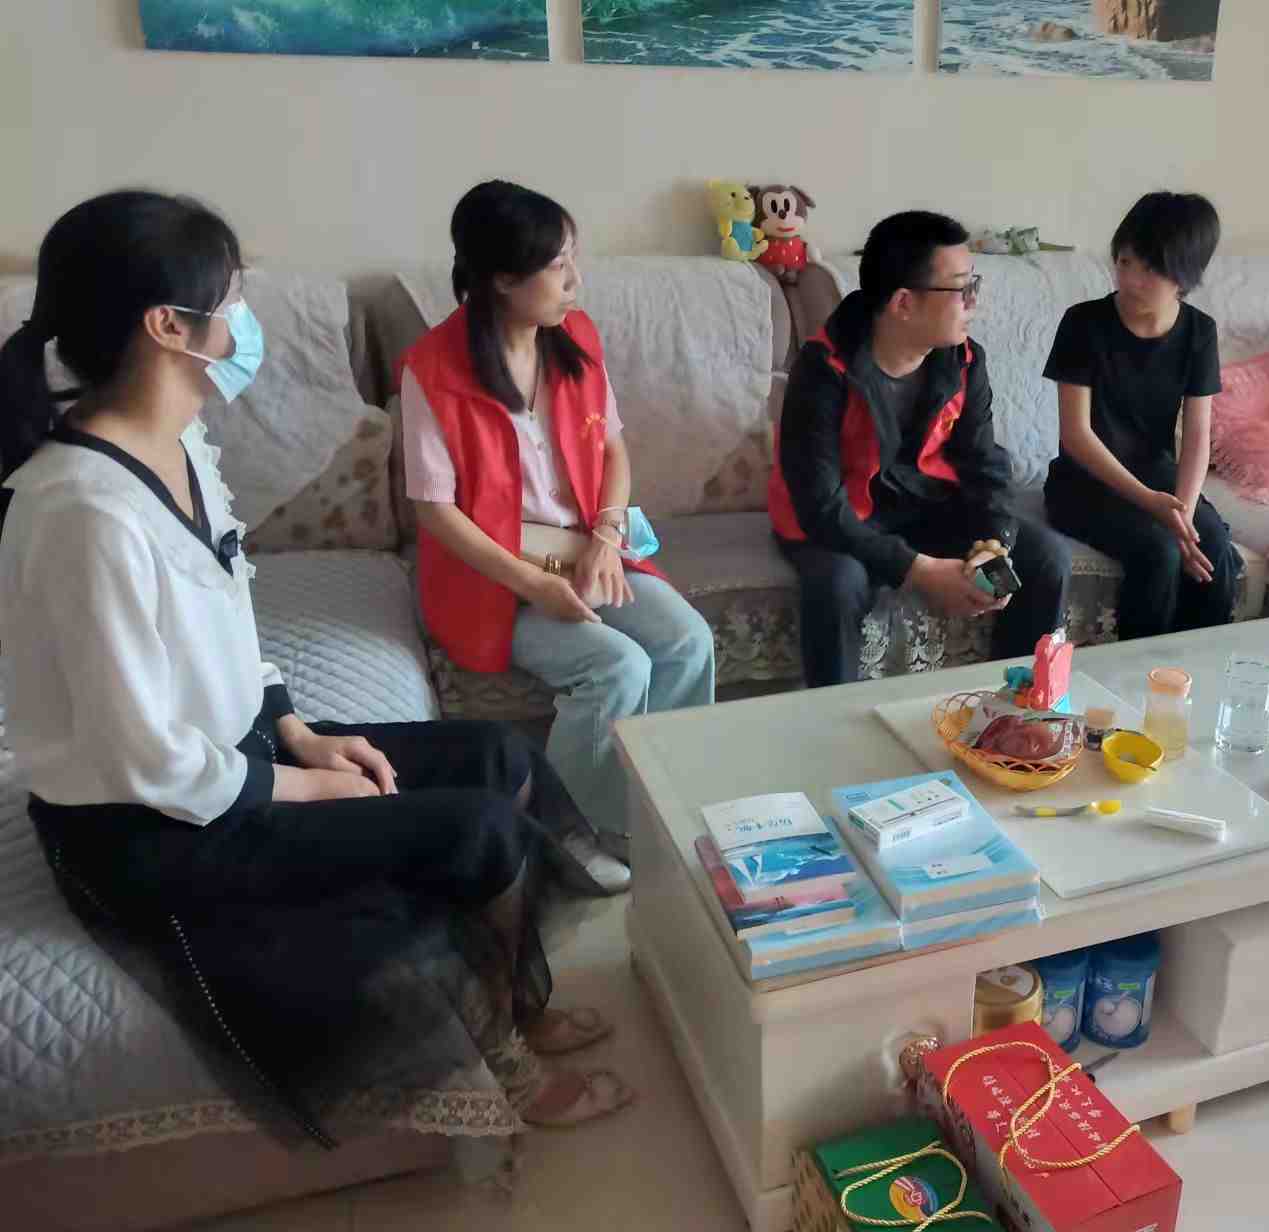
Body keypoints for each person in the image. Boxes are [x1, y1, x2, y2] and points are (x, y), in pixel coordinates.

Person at [0, 191, 634, 1140]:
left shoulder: (178, 446)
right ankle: (506, 1061)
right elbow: (148, 762)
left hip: (234, 752)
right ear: (169, 326)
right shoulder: (82, 515)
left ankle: (515, 1003)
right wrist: (307, 787)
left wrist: (301, 733)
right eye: (232, 298)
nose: (244, 320)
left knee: (500, 758)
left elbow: (229, 624)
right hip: (151, 826)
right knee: (476, 833)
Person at [400, 181, 714, 889]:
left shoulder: (576, 337)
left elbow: (614, 451)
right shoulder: (433, 370)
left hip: (584, 549)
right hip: (493, 578)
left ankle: (661, 804)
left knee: (687, 640)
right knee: (617, 666)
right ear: (503, 280)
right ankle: (570, 830)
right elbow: (435, 511)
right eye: (556, 265)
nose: (575, 279)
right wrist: (533, 584)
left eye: (574, 257)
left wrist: (606, 535)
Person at [770, 211, 1072, 687]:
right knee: (837, 584)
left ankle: (1015, 709)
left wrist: (993, 545)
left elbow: (983, 466)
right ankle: (830, 721)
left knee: (1046, 557)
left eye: (973, 284)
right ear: (904, 303)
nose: (973, 301)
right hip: (840, 517)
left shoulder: (965, 360)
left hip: (925, 504)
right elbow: (819, 505)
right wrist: (919, 570)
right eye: (961, 288)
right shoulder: (822, 369)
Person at [1043, 192, 1242, 639]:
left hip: (1159, 478)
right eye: (1125, 262)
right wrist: (1152, 503)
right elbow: (1076, 434)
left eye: (1150, 270)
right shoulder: (1083, 323)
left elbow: (1197, 437)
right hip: (1083, 484)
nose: (1131, 280)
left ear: (1184, 276)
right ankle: (1139, 672)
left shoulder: (1199, 331)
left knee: (1210, 543)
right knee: (1159, 550)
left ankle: (1199, 666)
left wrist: (1183, 514)